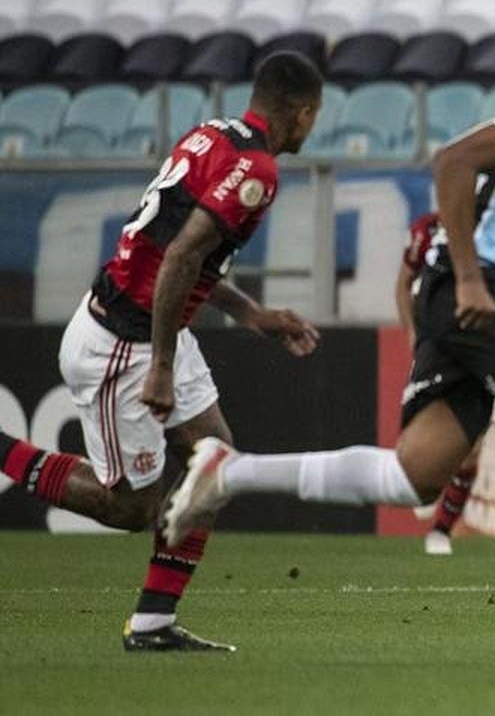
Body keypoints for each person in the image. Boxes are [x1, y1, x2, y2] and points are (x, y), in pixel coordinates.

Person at [163, 0, 495, 669]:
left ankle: (228, 473)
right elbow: (452, 160)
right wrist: (474, 278)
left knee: (412, 476)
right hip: (481, 290)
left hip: (463, 292)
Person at [0, 51, 324, 651]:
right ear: (302, 113)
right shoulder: (257, 172)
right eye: (314, 117)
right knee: (129, 507)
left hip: (149, 327)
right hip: (124, 341)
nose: (312, 128)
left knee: (213, 460)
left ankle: (153, 624)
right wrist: (162, 368)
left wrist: (252, 313)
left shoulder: (210, 136)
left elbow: (180, 251)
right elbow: (178, 257)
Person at [395, 212, 495, 556]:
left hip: (484, 347)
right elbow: (404, 283)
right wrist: (414, 333)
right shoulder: (428, 230)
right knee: (426, 422)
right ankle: (421, 479)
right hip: (438, 342)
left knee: (474, 445)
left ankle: (440, 531)